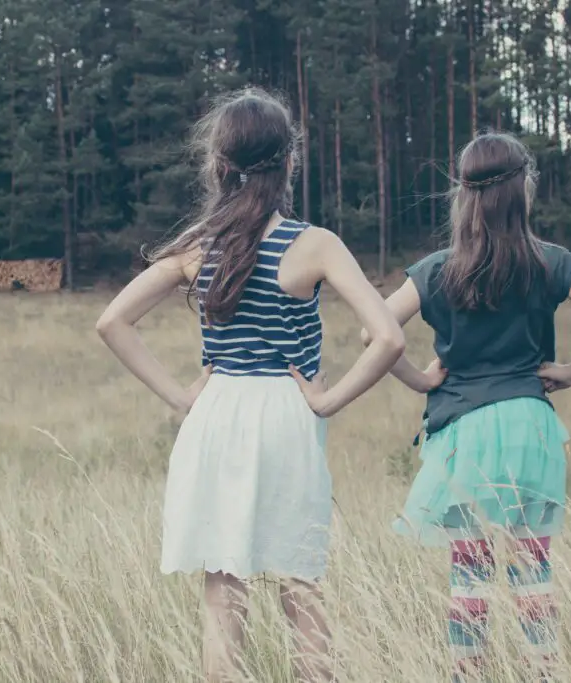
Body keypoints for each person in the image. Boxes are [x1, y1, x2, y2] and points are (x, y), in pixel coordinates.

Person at [95, 87, 406, 683]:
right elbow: (389, 338)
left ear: (219, 165)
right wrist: (328, 399)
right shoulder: (313, 243)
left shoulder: (197, 246)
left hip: (217, 413)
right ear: (290, 161)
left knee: (222, 590)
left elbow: (112, 322)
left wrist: (182, 397)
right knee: (301, 585)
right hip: (287, 414)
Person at [362, 131, 571, 681]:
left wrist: (420, 379)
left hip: (465, 437)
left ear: (462, 195)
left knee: (469, 578)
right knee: (532, 573)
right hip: (531, 431)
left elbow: (377, 334)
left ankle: (468, 674)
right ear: (524, 189)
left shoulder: (437, 269)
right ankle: (543, 673)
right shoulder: (553, 262)